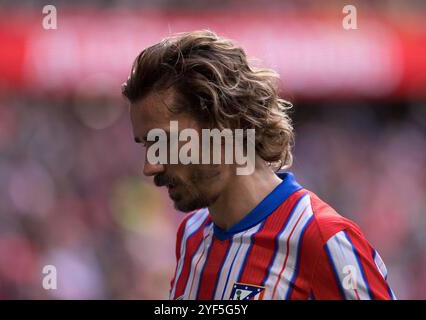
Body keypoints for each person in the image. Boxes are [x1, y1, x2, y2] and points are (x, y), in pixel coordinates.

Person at [122, 30, 396, 300]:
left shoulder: (322, 238)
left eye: (165, 142)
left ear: (225, 124)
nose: (151, 166)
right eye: (146, 145)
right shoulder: (191, 236)